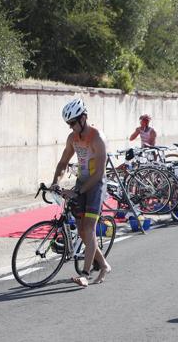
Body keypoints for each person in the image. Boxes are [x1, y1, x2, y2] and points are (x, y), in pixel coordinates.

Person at [51, 98, 111, 287]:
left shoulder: (97, 138)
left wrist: (77, 192)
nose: (71, 127)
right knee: (83, 233)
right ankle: (103, 265)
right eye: (68, 124)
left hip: (95, 185)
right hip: (81, 183)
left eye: (73, 123)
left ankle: (85, 273)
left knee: (89, 229)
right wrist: (55, 182)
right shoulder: (73, 138)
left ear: (83, 118)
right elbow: (63, 162)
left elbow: (99, 173)